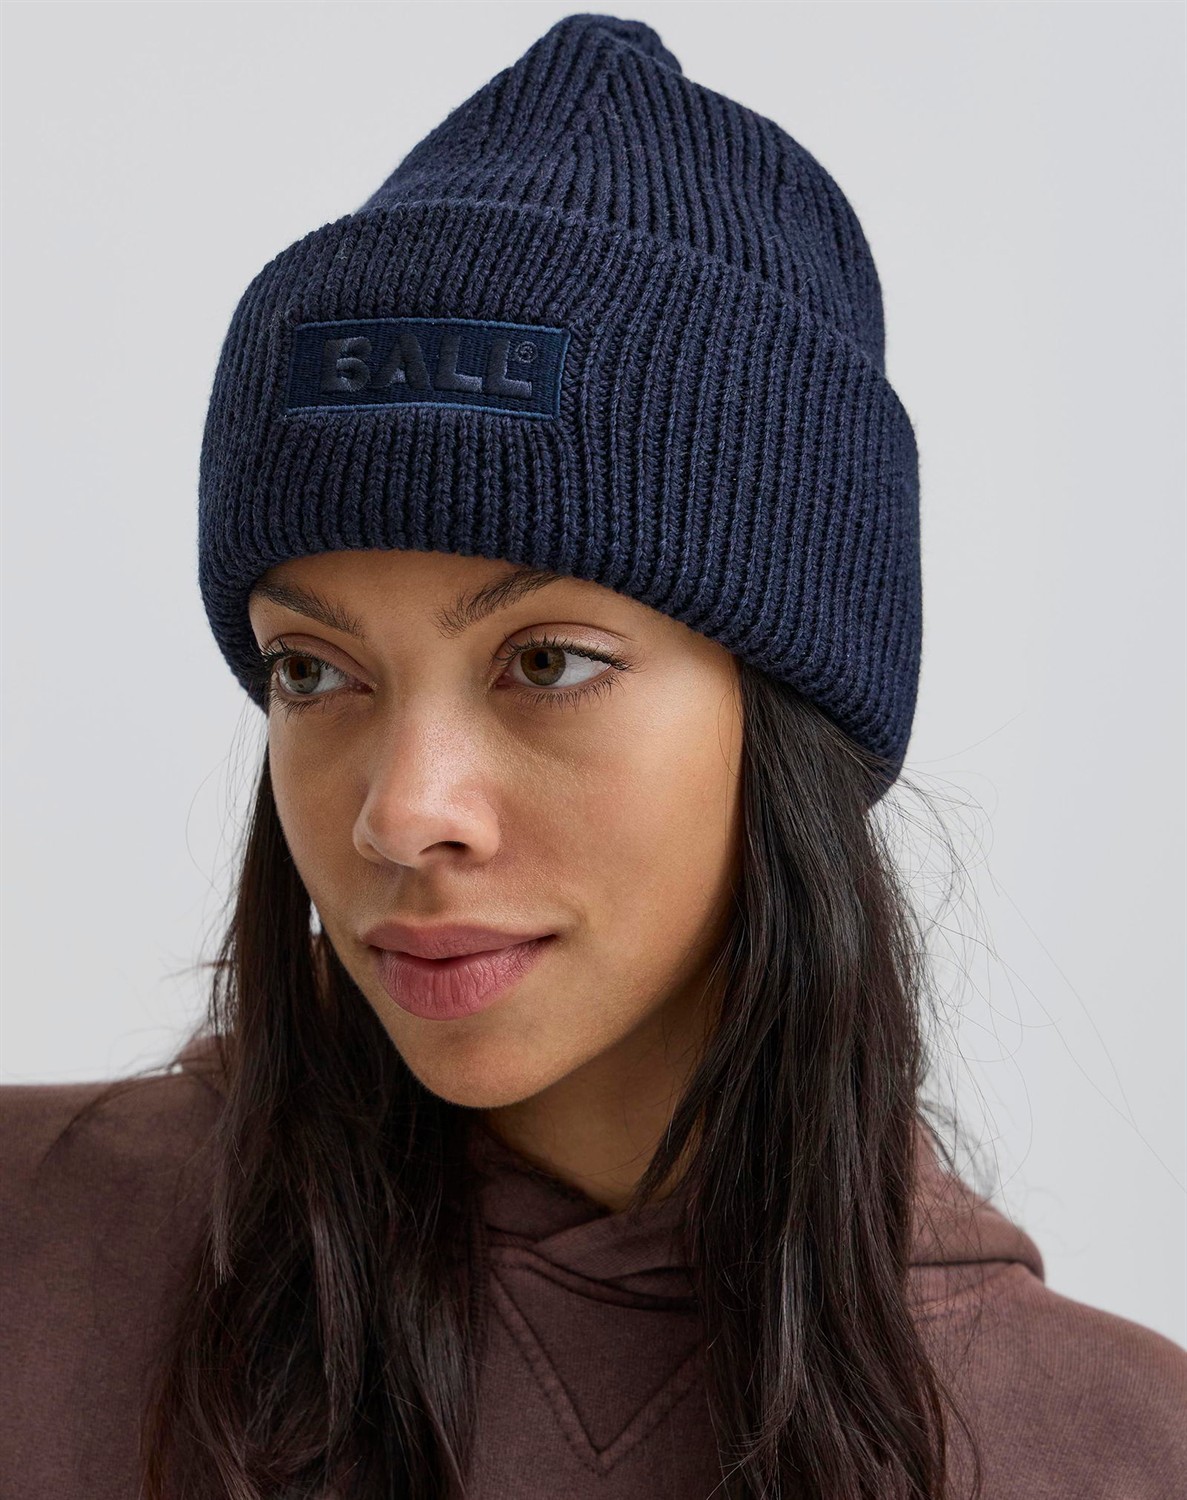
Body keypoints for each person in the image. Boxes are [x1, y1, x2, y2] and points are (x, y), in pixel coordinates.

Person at [2, 12, 1184, 1500]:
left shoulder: (1109, 1448)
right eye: (313, 670)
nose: (402, 813)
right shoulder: (38, 1254)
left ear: (788, 715)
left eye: (548, 662)